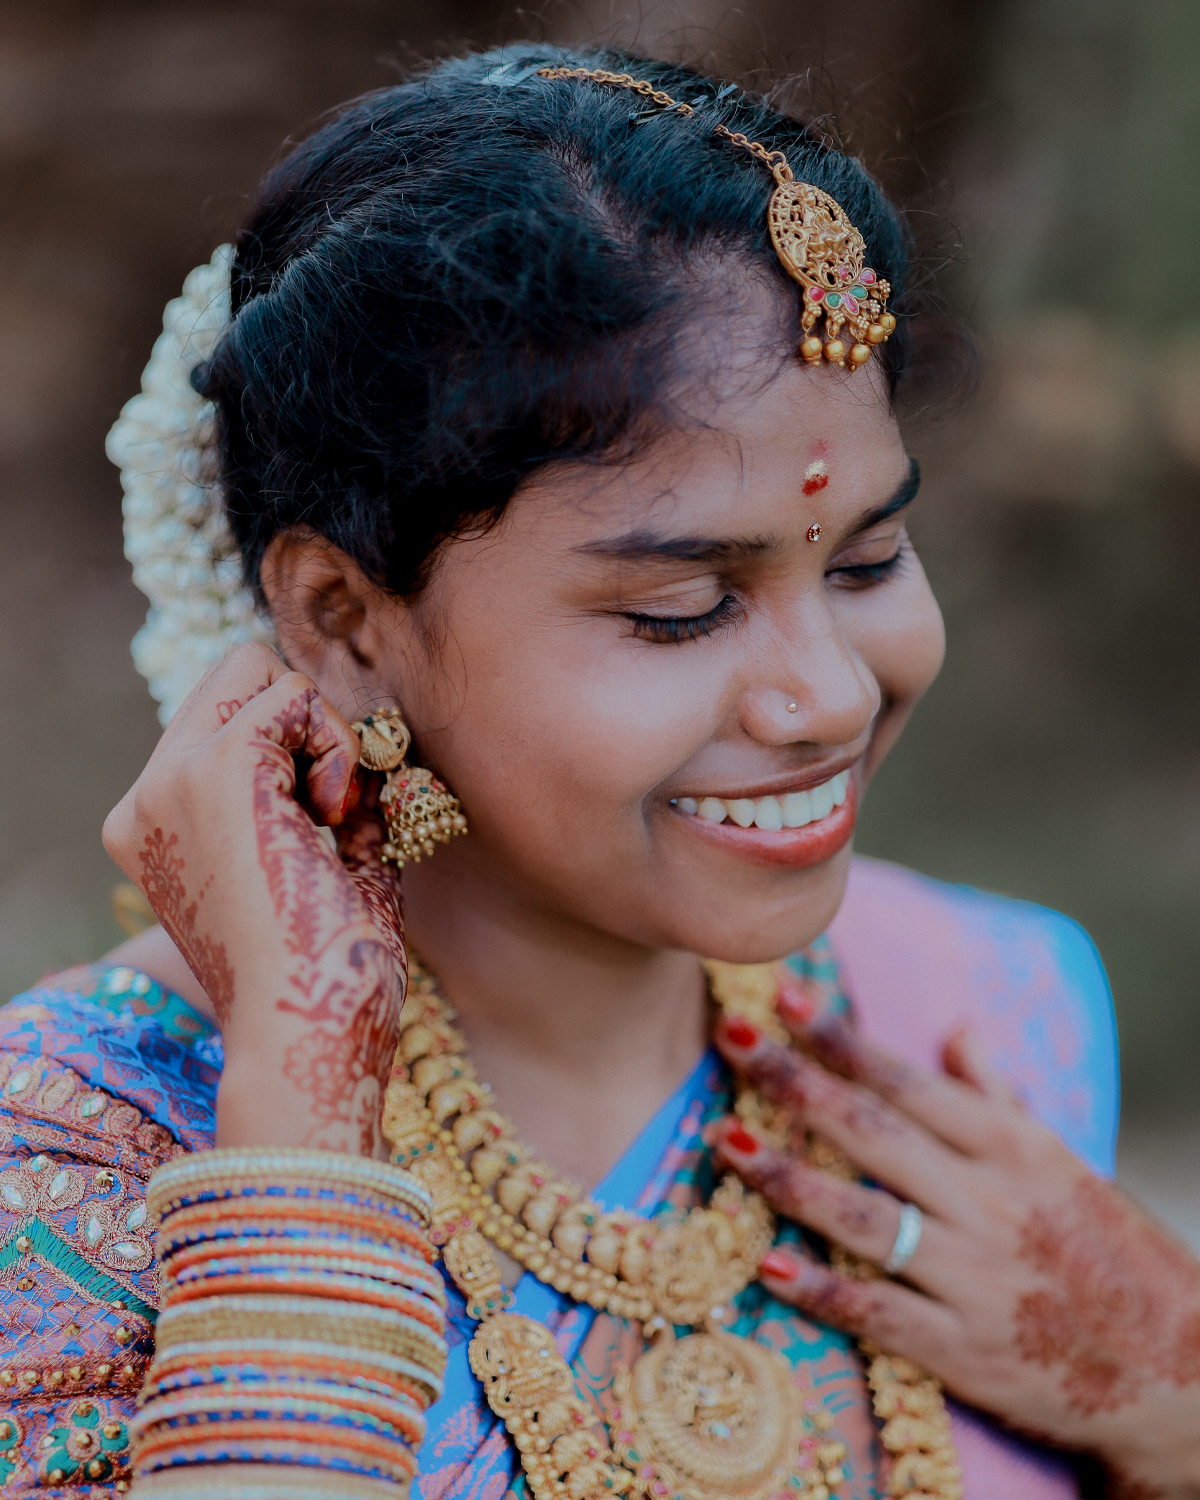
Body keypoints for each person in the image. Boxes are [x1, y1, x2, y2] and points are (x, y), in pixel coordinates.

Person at [2, 45, 1198, 1500]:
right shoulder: (73, 1148)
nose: (827, 695)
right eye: (680, 610)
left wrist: (1171, 1400)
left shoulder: (981, 1013)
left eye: (873, 558)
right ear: (343, 624)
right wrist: (308, 1095)